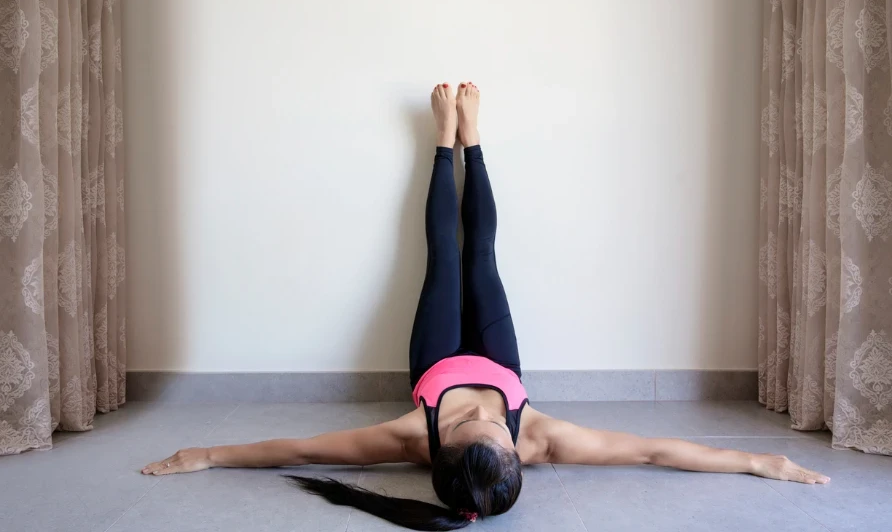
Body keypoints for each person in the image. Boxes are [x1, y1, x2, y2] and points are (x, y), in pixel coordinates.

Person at [142, 83, 829, 531]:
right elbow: (650, 452)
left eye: (465, 424)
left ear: (439, 448)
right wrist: (758, 463)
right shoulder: (541, 437)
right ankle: (476, 139)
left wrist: (206, 454)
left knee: (446, 256)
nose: (475, 411)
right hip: (498, 356)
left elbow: (294, 449)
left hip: (437, 358)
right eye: (488, 425)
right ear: (519, 449)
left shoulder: (413, 437)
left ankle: (444, 141)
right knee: (484, 257)